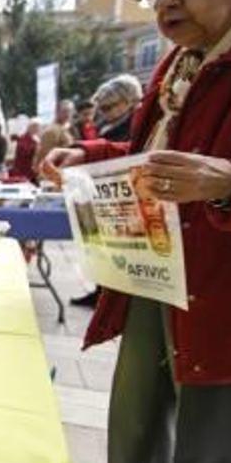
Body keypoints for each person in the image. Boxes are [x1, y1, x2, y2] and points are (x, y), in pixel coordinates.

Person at [41, 0, 231, 463]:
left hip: (226, 303)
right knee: (136, 429)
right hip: (155, 275)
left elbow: (209, 168)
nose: (165, 4)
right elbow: (154, 155)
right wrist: (88, 155)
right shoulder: (178, 64)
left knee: (209, 453)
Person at [71, 75, 144, 307]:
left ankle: (109, 298)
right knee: (100, 250)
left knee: (117, 253)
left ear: (128, 101)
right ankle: (100, 292)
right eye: (101, 108)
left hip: (122, 196)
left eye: (109, 107)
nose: (104, 111)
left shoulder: (137, 123)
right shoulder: (107, 124)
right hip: (101, 193)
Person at [93, 74, 143, 143]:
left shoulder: (136, 125)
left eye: (107, 107)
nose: (103, 113)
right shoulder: (103, 126)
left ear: (128, 101)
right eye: (101, 108)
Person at [33, 100, 75, 171]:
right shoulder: (52, 131)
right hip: (54, 171)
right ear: (57, 112)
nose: (67, 114)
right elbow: (44, 155)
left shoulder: (71, 128)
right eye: (64, 111)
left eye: (70, 111)